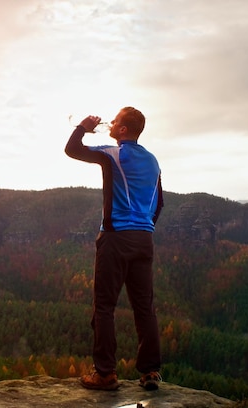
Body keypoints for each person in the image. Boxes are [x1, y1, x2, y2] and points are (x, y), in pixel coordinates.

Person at [64, 107, 164, 391]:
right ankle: (150, 372)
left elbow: (72, 150)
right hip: (144, 239)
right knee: (144, 307)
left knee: (105, 307)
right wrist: (144, 225)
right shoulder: (153, 160)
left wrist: (83, 126)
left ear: (122, 130)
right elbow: (159, 202)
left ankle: (105, 373)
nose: (111, 123)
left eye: (115, 121)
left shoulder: (113, 153)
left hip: (115, 238)